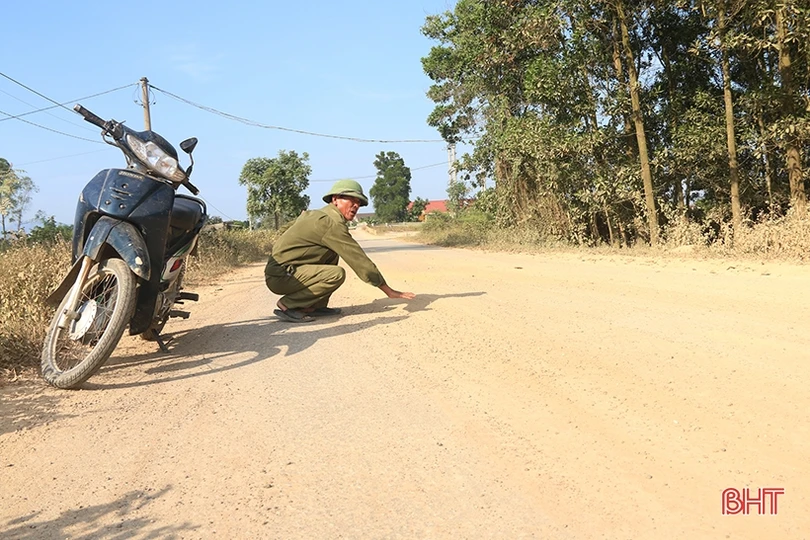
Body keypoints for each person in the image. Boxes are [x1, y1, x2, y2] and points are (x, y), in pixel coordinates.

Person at [264, 179, 416, 323]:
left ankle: (315, 306)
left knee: (332, 252)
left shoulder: (316, 214)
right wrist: (388, 291)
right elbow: (358, 259)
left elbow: (284, 229)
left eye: (359, 203)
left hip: (282, 272)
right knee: (335, 274)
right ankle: (288, 305)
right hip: (282, 276)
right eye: (352, 200)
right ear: (335, 199)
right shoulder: (331, 223)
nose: (356, 205)